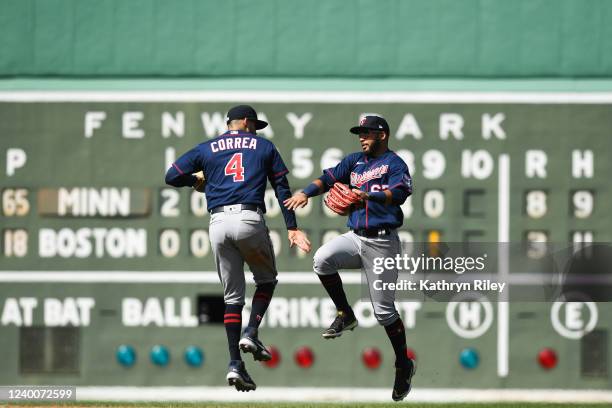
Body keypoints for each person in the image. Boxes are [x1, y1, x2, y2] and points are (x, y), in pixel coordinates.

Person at [165, 105, 311, 392]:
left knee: (232, 298)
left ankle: (234, 363)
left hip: (218, 223)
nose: (255, 129)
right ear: (245, 122)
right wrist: (292, 227)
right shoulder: (264, 146)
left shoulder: (207, 148)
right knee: (267, 281)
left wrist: (195, 180)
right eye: (254, 124)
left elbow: (172, 175)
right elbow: (282, 188)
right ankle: (252, 332)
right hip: (249, 218)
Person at [284, 115, 415, 401]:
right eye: (360, 132)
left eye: (367, 132)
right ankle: (345, 313)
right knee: (322, 259)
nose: (361, 137)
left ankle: (403, 364)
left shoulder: (395, 164)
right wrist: (306, 193)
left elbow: (400, 192)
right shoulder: (354, 161)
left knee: (383, 312)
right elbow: (328, 178)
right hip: (357, 237)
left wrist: (368, 197)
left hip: (383, 242)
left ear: (382, 135)